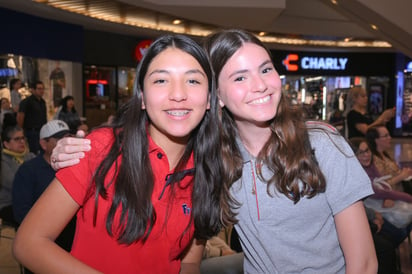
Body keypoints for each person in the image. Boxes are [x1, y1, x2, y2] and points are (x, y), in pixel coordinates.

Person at [51, 29, 377, 273]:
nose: (260, 84)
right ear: (216, 97)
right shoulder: (213, 159)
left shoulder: (321, 145)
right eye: (240, 77)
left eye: (265, 69)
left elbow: (362, 262)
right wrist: (68, 149)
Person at [13, 34, 232, 274]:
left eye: (192, 81)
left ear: (210, 98)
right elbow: (29, 243)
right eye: (161, 80)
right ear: (142, 97)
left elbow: (189, 261)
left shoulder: (207, 167)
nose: (178, 94)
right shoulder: (102, 148)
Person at [12, 120, 76, 274]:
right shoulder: (28, 171)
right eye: (58, 139)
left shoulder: (75, 165)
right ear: (43, 144)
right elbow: (22, 212)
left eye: (67, 138)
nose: (64, 143)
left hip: (74, 238)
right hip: (44, 241)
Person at [349, 137, 412, 247]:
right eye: (360, 153)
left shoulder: (372, 165)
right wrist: (408, 197)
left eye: (367, 150)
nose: (366, 155)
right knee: (397, 233)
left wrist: (389, 195)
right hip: (369, 211)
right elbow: (379, 192)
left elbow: (383, 189)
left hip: (378, 204)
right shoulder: (355, 174)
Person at [0, 126, 35, 226]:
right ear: (6, 144)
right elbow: (15, 184)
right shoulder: (3, 161)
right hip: (9, 204)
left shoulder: (30, 156)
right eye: (17, 139)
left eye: (23, 138)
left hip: (30, 201)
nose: (22, 141)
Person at [366, 125, 412, 192]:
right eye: (386, 136)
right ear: (376, 140)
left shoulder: (384, 155)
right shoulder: (373, 160)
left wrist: (404, 172)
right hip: (391, 195)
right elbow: (380, 185)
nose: (390, 138)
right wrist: (401, 176)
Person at [17, 81, 47, 154]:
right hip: (31, 132)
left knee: (43, 151)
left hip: (42, 131)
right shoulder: (27, 101)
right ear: (33, 90)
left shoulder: (42, 102)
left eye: (43, 89)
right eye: (39, 89)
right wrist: (21, 131)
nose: (41, 91)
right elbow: (20, 116)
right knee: (33, 153)